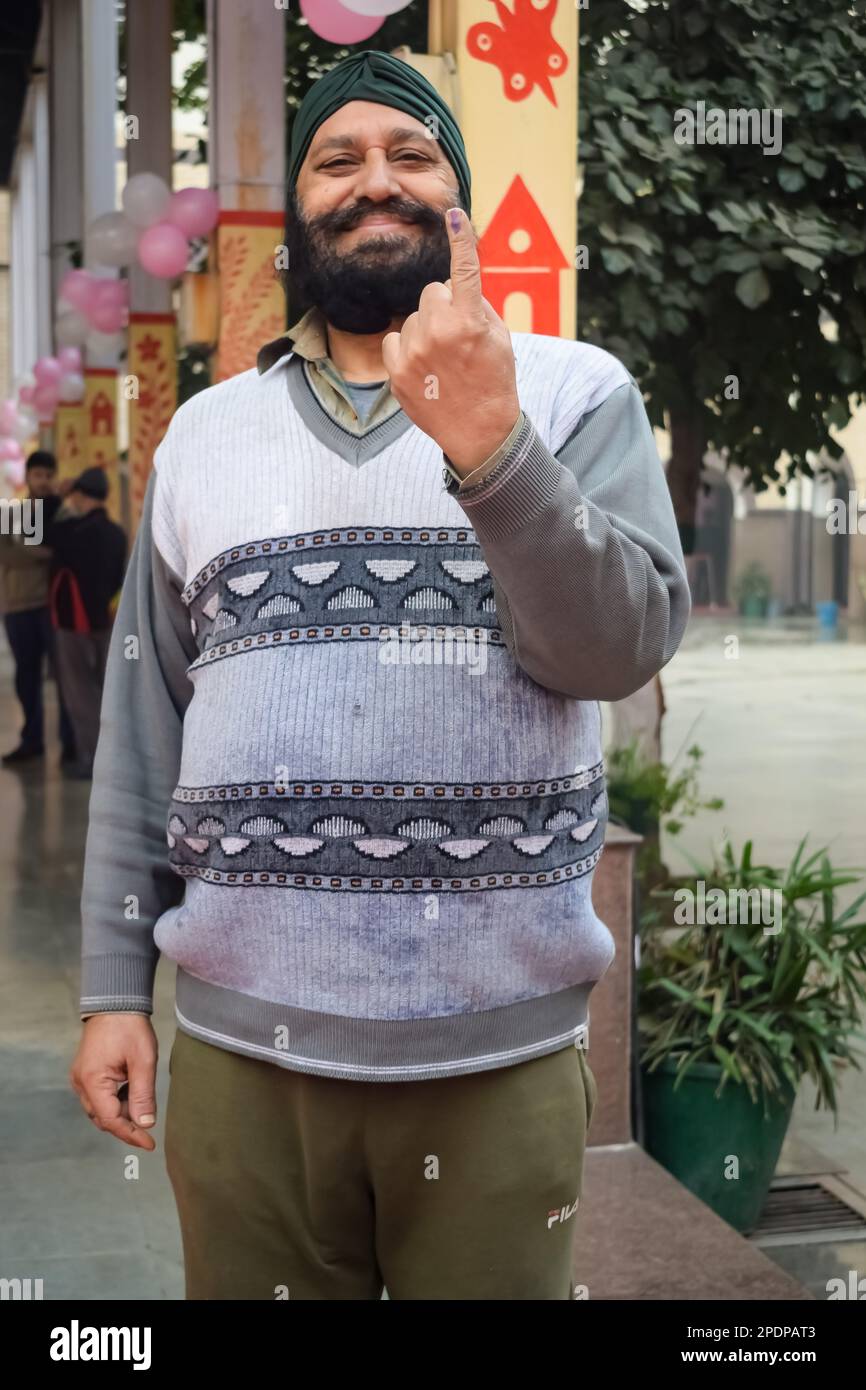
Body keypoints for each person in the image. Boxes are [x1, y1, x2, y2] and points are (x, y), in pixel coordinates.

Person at [70, 50, 690, 1300]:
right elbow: (144, 725)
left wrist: (491, 447)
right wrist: (109, 988)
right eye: (336, 158)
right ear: (298, 205)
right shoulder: (203, 434)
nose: (375, 183)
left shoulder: (571, 396)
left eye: (410, 156)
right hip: (245, 1056)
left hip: (494, 1060)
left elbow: (613, 649)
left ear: (457, 199)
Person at [47, 466, 126, 780]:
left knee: (80, 694)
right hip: (106, 622)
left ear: (79, 495)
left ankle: (91, 758)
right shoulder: (118, 533)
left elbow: (37, 532)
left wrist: (56, 498)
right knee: (106, 692)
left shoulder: (72, 532)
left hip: (73, 624)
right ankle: (113, 759)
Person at [0, 449, 76, 766]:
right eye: (37, 475)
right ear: (28, 477)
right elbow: (9, 555)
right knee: (26, 677)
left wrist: (29, 549)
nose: (43, 481)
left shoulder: (62, 513)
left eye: (48, 475)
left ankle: (71, 744)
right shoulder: (13, 514)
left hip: (52, 606)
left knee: (64, 677)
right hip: (18, 606)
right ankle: (31, 741)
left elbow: (65, 550)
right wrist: (42, 552)